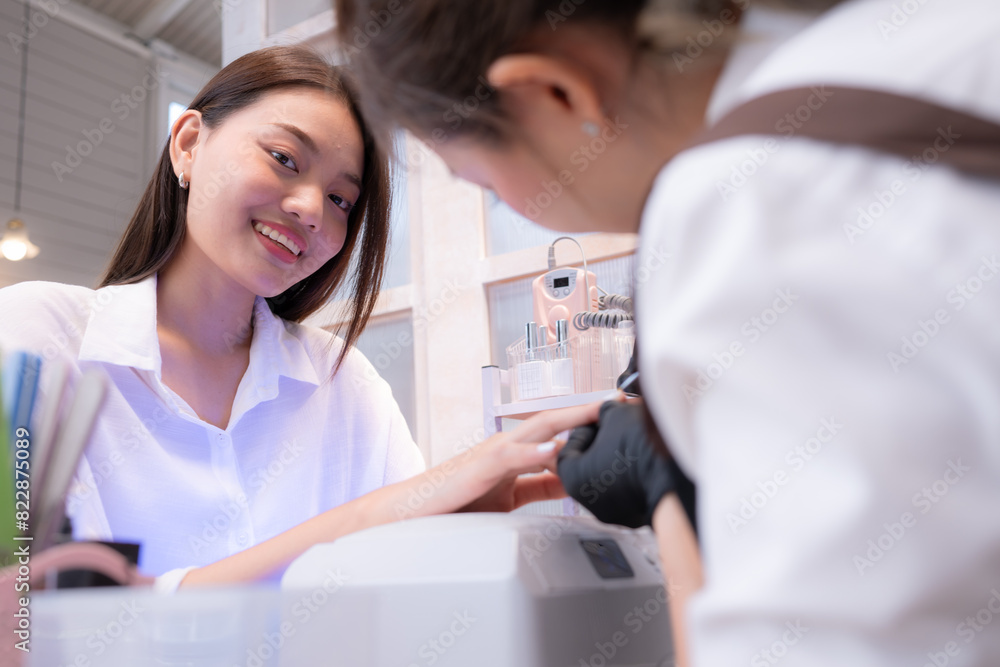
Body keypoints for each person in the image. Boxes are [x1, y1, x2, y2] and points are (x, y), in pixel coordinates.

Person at [332, 0, 1000, 665]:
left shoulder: (736, 204)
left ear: (552, 92)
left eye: (481, 181)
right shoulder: (921, 38)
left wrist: (674, 493)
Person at [0, 45, 598, 592]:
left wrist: (442, 531)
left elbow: (394, 603)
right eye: (284, 158)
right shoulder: (36, 337)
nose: (312, 208)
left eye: (341, 199)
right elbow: (42, 617)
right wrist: (374, 516)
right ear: (188, 144)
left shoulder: (345, 382)